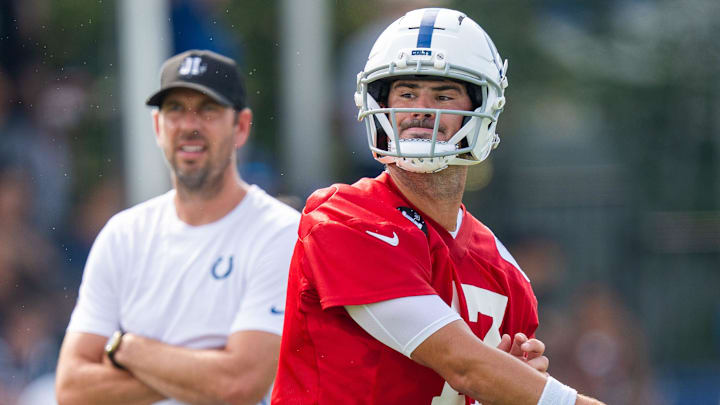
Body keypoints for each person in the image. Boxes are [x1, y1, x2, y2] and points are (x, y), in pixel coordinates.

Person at [272, 8, 605, 405]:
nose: (420, 110)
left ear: (482, 108)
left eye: (443, 95)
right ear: (378, 104)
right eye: (407, 93)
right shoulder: (343, 219)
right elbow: (464, 365)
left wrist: (510, 388)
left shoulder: (506, 273)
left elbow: (476, 378)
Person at [55, 49, 300, 405]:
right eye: (175, 110)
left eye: (209, 110)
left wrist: (128, 347)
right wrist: (206, 369)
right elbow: (71, 388)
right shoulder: (123, 234)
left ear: (241, 127)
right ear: (157, 126)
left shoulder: (280, 232)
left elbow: (240, 385)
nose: (189, 125)